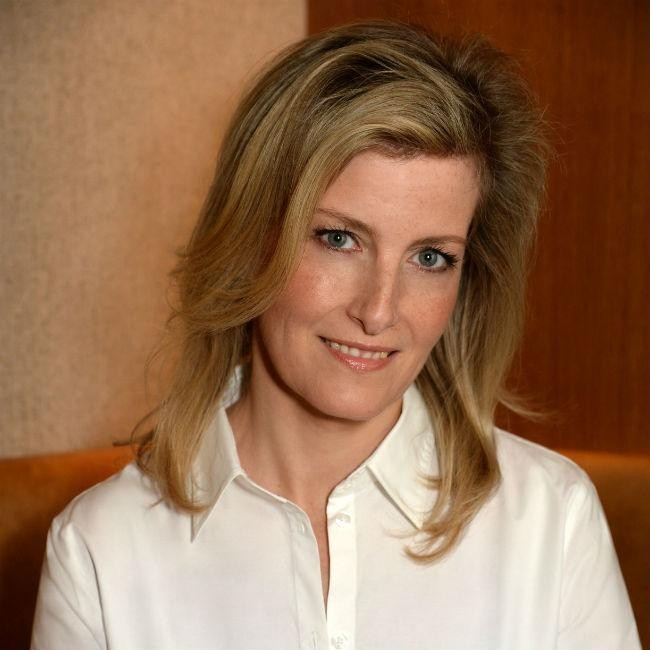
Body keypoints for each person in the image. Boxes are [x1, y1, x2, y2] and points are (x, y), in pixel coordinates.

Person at [31, 20, 640, 650]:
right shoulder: (100, 551)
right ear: (251, 240)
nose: (379, 311)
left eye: (431, 257)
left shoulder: (552, 522)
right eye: (339, 238)